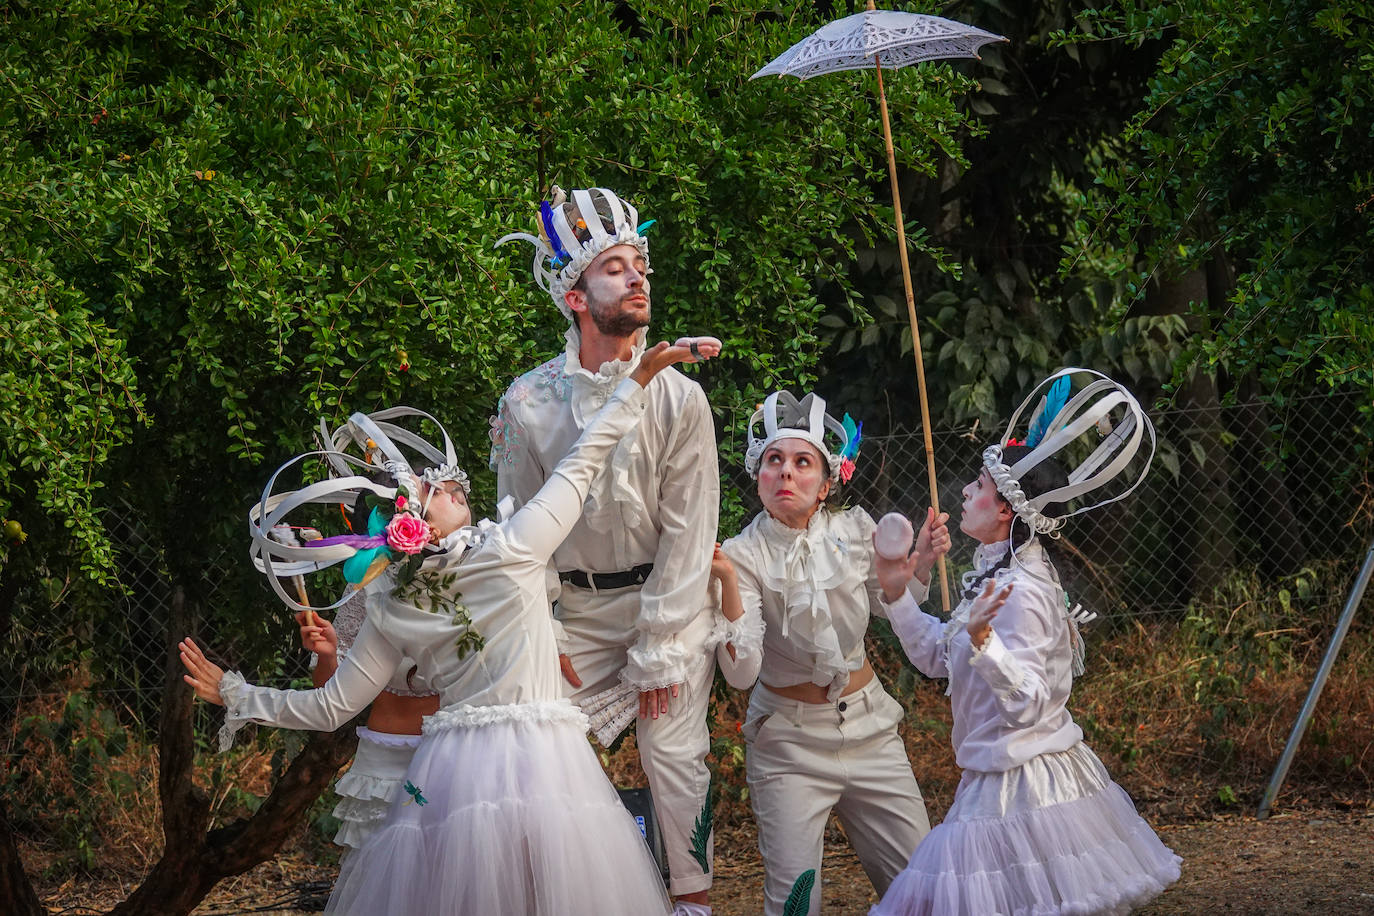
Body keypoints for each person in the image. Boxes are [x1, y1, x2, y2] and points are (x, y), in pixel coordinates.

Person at [180, 338, 717, 916]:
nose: (443, 484)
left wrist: (236, 694)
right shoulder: (513, 549)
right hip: (545, 764)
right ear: (415, 526)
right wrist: (638, 379)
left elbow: (332, 708)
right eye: (427, 489)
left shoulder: (395, 599)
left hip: (453, 774)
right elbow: (584, 459)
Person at [871, 369, 1182, 916]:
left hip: (1026, 784)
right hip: (996, 774)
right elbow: (940, 658)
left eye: (979, 486)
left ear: (1006, 510)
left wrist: (985, 641)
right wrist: (898, 595)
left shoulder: (1023, 589)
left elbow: (1030, 702)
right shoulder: (996, 573)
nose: (965, 492)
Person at [492, 187, 720, 913]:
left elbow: (691, 531)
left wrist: (659, 642)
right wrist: (547, 630)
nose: (636, 278)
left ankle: (693, 903)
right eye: (615, 269)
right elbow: (517, 532)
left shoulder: (680, 397)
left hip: (669, 605)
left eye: (638, 265)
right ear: (575, 297)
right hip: (576, 614)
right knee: (530, 744)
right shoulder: (526, 402)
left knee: (671, 754)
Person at [707, 390, 943, 916]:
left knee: (924, 889)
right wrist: (727, 584)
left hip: (871, 729)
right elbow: (742, 674)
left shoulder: (855, 529)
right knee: (796, 903)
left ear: (825, 482)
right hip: (788, 746)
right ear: (758, 474)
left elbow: (894, 604)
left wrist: (920, 563)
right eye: (774, 460)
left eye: (802, 462)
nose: (786, 473)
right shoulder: (741, 555)